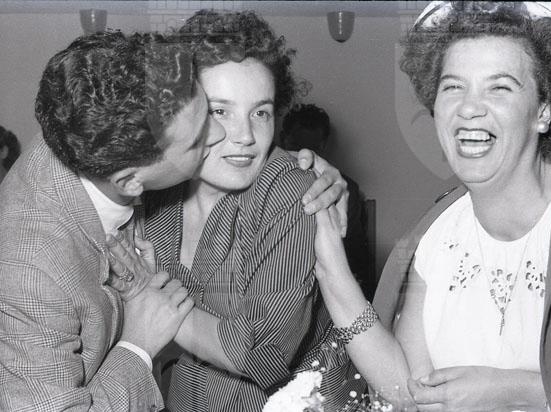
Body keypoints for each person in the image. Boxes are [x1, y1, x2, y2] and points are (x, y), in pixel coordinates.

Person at [314, 2, 551, 411]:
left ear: (544, 111)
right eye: (453, 86)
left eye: (499, 87)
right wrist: (329, 263)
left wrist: (518, 391)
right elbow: (408, 393)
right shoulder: (437, 236)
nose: (469, 108)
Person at [109, 11, 361, 412]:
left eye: (260, 112)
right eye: (220, 111)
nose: (245, 137)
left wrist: (149, 300)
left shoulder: (293, 191)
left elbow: (261, 353)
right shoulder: (155, 189)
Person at [0, 31, 213, 411]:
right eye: (198, 141)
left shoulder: (90, 128)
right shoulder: (29, 271)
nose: (221, 134)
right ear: (130, 182)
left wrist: (302, 172)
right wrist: (139, 345)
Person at [281, 104, 375, 300]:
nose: (304, 158)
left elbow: (356, 255)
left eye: (312, 149)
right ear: (283, 140)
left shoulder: (345, 190)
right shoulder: (258, 182)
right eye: (297, 147)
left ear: (323, 146)